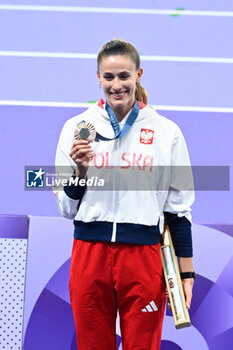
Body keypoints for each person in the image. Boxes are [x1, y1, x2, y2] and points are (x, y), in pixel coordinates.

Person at [55, 38, 195, 350]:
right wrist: (80, 173)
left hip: (142, 258)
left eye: (124, 76)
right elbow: (66, 209)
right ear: (98, 78)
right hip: (89, 255)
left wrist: (187, 274)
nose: (116, 85)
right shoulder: (76, 128)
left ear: (138, 75)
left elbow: (178, 211)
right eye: (108, 77)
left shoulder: (166, 132)